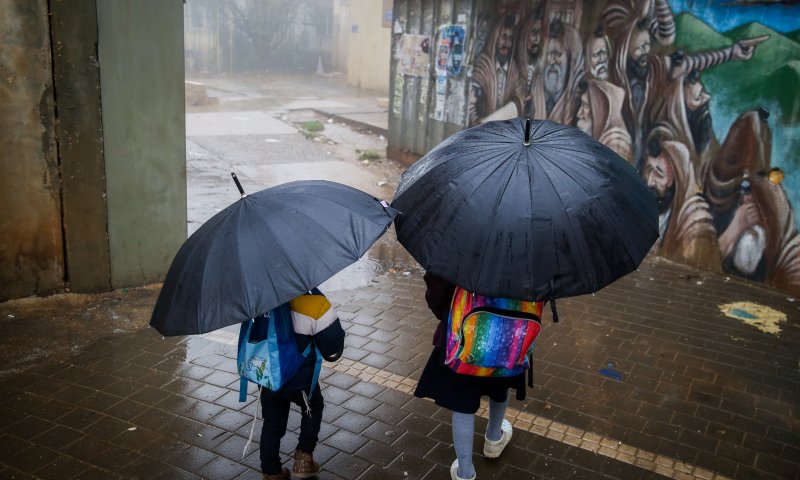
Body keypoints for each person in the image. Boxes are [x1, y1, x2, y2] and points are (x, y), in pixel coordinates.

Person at [414, 273, 536, 480]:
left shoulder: (464, 242)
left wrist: (444, 311)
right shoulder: (531, 244)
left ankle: (464, 472)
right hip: (512, 332)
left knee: (462, 401)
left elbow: (439, 284)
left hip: (464, 332)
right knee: (501, 380)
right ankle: (494, 439)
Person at [258, 291, 345, 480]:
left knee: (272, 421)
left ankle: (271, 471)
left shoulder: (259, 300)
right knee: (313, 407)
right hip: (301, 380)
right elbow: (332, 346)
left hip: (269, 377)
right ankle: (304, 458)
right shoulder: (316, 304)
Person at [529, 19, 585, 125]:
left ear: (571, 61)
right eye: (549, 54)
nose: (552, 61)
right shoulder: (530, 97)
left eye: (557, 54)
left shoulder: (579, 108)